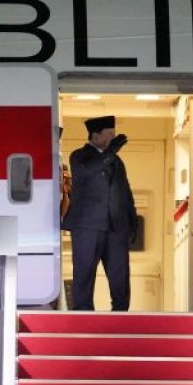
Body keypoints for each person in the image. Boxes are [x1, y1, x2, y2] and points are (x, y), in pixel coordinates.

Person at [61, 115, 138, 311]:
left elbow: (125, 191)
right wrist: (111, 152)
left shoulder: (116, 160)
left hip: (116, 226)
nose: (113, 138)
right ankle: (83, 313)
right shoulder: (79, 156)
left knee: (120, 274)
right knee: (85, 271)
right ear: (95, 136)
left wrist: (132, 221)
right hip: (88, 226)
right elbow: (87, 171)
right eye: (109, 135)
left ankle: (120, 312)